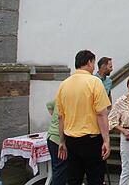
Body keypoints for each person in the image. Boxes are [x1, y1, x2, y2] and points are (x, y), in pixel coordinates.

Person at [55, 50, 111, 185]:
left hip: (72, 140)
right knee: (95, 179)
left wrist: (62, 141)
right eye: (93, 63)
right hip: (91, 140)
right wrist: (106, 140)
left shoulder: (64, 85)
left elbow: (61, 117)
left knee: (74, 179)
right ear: (89, 62)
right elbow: (101, 114)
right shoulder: (95, 82)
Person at [46, 99, 68, 185]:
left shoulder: (61, 96)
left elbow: (49, 104)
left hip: (51, 136)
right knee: (61, 171)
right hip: (58, 138)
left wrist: (53, 117)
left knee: (58, 169)